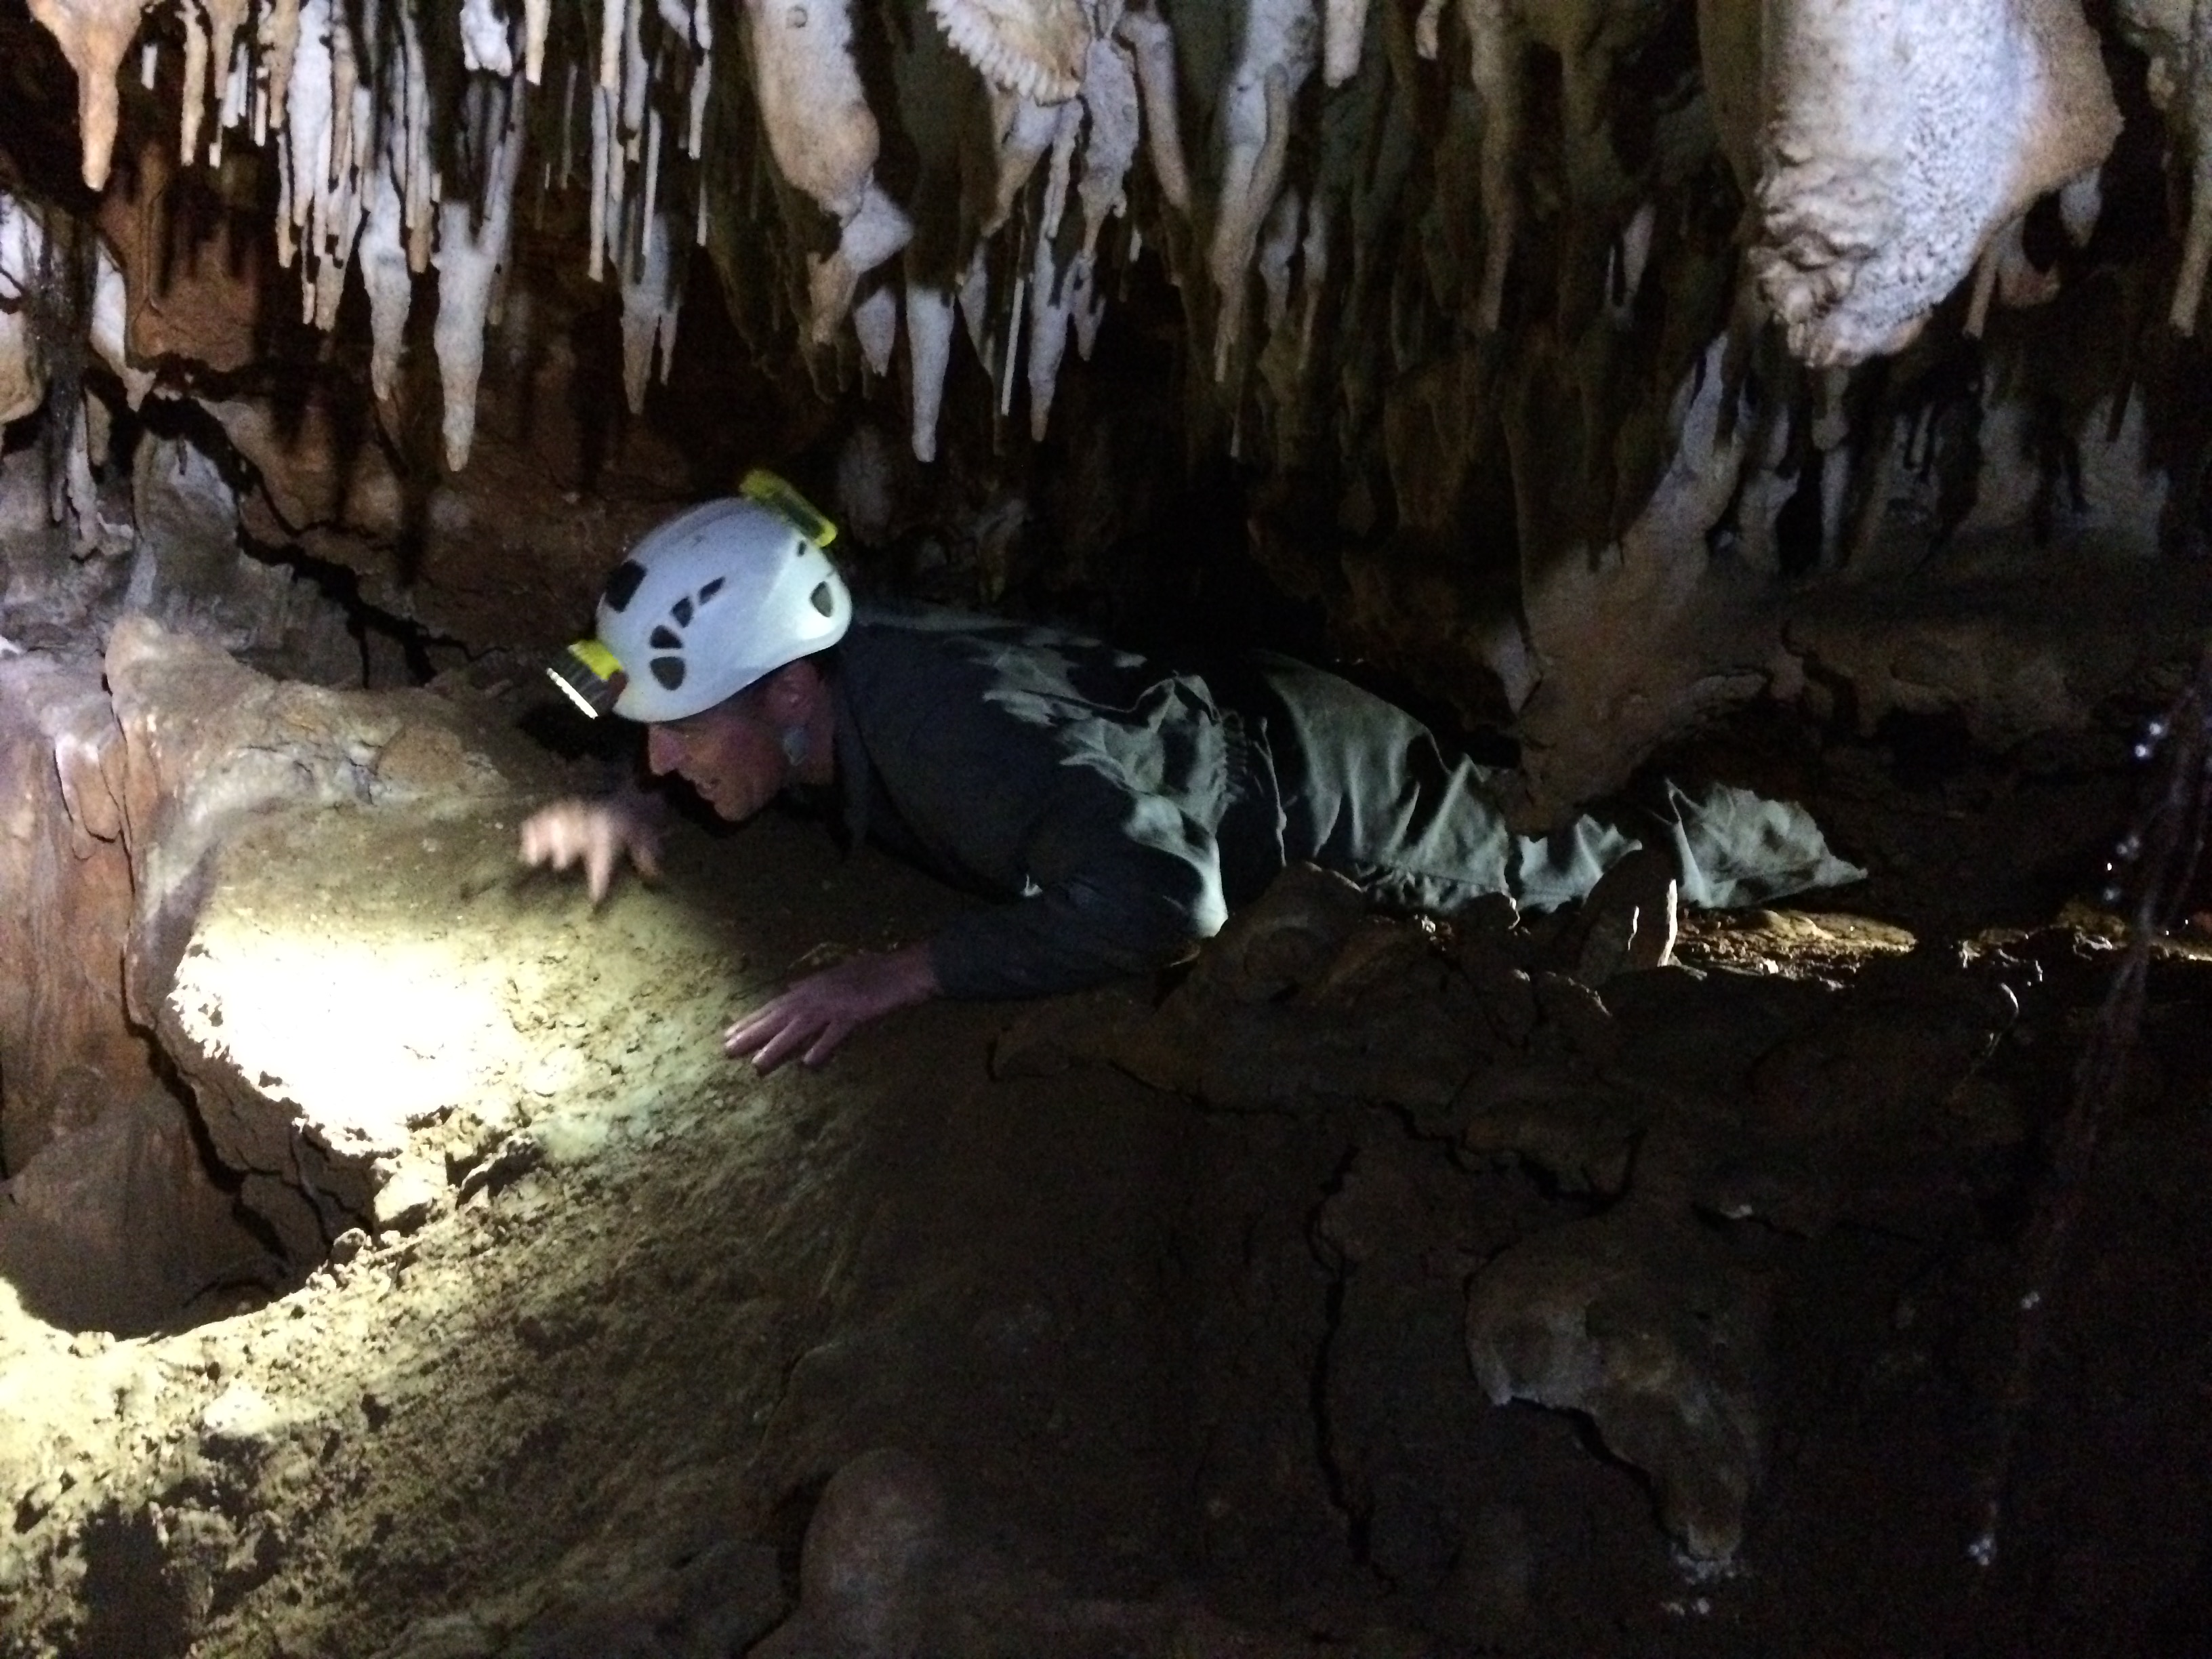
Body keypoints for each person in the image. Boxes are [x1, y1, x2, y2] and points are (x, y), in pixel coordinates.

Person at [523, 474, 1863, 1071]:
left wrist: (904, 973)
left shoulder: (945, 743)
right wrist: (644, 796)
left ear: (788, 689)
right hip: (1245, 712)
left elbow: (1171, 898)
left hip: (1332, 794)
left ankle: (1843, 840)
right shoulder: (840, 669)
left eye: (680, 728)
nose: (664, 751)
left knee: (1578, 862)